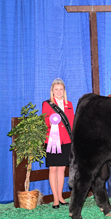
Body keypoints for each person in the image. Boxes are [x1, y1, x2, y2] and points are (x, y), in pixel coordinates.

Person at [42, 78, 74, 209]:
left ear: (64, 91)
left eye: (61, 89)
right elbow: (45, 121)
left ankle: (61, 196)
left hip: (66, 141)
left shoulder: (69, 104)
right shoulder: (47, 104)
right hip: (52, 141)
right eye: (56, 89)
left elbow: (72, 123)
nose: (59, 92)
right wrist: (52, 122)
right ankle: (55, 198)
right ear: (52, 91)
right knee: (53, 169)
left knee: (62, 169)